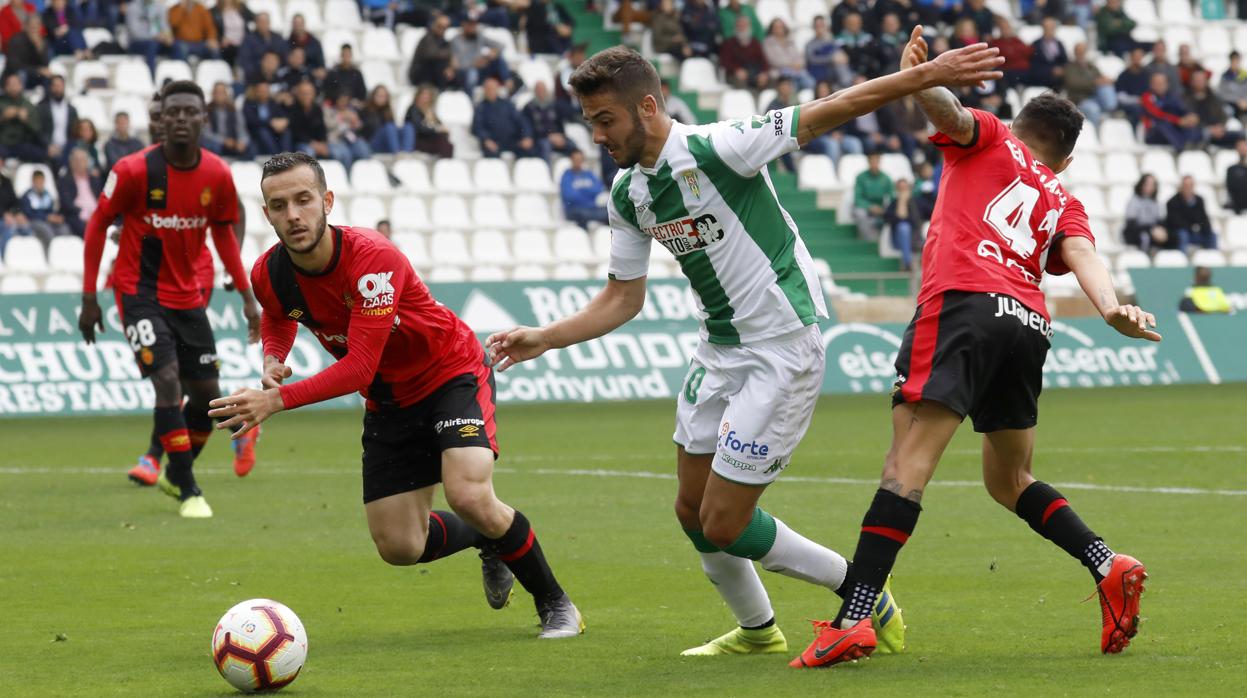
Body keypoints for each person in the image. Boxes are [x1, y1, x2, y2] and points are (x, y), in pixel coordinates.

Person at [485, 40, 1004, 659]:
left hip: (782, 347)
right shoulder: (629, 195)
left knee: (724, 522)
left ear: (647, 107)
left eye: (605, 120)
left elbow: (832, 108)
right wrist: (546, 336)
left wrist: (925, 76)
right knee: (689, 508)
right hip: (719, 350)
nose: (596, 135)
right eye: (591, 122)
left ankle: (863, 589)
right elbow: (623, 299)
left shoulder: (718, 147)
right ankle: (758, 631)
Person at [792, 35, 1158, 669]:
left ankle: (853, 620)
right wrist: (1111, 308)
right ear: (1066, 160)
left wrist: (924, 74)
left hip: (962, 303)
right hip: (1028, 322)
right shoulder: (1063, 196)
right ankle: (1107, 563)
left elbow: (951, 116)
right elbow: (1082, 255)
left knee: (904, 467)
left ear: (1019, 127)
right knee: (1009, 479)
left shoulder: (994, 136)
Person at [207, 151, 585, 639]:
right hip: (388, 399)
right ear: (266, 213)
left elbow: (359, 364)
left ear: (327, 201)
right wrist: (273, 358)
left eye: (303, 200)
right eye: (279, 206)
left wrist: (277, 400)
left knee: (468, 493)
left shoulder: (372, 259)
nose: (293, 215)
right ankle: (490, 541)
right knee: (400, 546)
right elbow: (278, 314)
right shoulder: (268, 271)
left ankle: (555, 603)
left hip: (448, 371)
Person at [78, 80, 260, 519]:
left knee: (205, 397)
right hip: (137, 292)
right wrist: (89, 297)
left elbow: (223, 233)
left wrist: (246, 296)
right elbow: (98, 225)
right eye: (172, 111)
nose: (180, 118)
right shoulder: (133, 170)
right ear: (160, 119)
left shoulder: (216, 174)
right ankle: (189, 488)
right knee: (166, 379)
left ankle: (173, 471)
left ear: (203, 118)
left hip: (187, 298)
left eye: (189, 111)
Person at [127, 92, 260, 486]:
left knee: (175, 375)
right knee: (176, 377)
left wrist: (230, 263)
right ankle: (238, 420)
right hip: (157, 279)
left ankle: (154, 457)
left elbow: (234, 210)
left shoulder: (202, 165)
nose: (162, 121)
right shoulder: (146, 163)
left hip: (190, 278)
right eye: (159, 115)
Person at [472, 77, 537, 158]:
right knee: (492, 155)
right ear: (484, 90)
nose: (490, 91)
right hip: (493, 142)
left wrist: (527, 136)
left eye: (492, 88)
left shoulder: (507, 104)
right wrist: (486, 140)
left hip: (512, 141)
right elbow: (477, 127)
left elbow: (521, 121)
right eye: (488, 89)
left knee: (529, 151)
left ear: (497, 89)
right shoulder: (480, 108)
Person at [450, 12, 510, 93]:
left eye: (475, 24)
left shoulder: (479, 36)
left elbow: (501, 45)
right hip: (465, 72)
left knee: (499, 59)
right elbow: (456, 65)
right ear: (463, 24)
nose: (473, 27)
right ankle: (470, 99)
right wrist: (473, 63)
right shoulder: (456, 40)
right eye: (470, 24)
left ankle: (509, 86)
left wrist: (492, 53)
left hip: (482, 70)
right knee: (472, 73)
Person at [1142, 73, 1201, 150]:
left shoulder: (1172, 97)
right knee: (1163, 124)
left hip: (1173, 132)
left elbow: (1182, 110)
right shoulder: (1147, 97)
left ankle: (1195, 145)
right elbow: (1158, 114)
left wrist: (1190, 117)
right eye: (1157, 83)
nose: (1160, 86)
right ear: (1151, 85)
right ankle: (1182, 147)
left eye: (1162, 83)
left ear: (1167, 84)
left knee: (1192, 126)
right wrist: (1178, 121)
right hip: (1153, 132)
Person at [1063, 42, 1116, 125]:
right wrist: (1094, 82)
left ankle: (1111, 111)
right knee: (1093, 109)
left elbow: (1100, 77)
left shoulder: (1091, 66)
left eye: (1083, 51)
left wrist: (1106, 80)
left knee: (1107, 88)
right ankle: (1096, 134)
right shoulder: (1070, 67)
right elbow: (1073, 83)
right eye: (1079, 51)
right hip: (1080, 99)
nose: (1081, 53)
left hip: (1095, 96)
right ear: (1075, 52)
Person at [126, 0, 180, 77]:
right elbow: (135, 33)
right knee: (152, 45)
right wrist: (154, 36)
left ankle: (177, 78)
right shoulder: (133, 7)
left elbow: (165, 25)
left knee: (176, 46)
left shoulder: (159, 6)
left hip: (158, 41)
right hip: (137, 43)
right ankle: (152, 78)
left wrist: (168, 36)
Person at [523, 81, 574, 162]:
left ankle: (576, 172)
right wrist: (548, 136)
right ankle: (547, 172)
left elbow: (560, 123)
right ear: (535, 92)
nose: (541, 92)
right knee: (545, 146)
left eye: (543, 90)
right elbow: (529, 128)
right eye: (538, 90)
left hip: (556, 137)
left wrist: (561, 136)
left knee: (572, 145)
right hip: (540, 139)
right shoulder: (528, 108)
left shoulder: (554, 105)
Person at [56, 147, 102, 237]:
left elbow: (101, 199)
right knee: (86, 228)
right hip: (76, 216)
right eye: (76, 160)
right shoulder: (65, 180)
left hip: (96, 215)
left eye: (82, 160)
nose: (79, 163)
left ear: (87, 162)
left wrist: (95, 215)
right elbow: (66, 203)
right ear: (71, 162)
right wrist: (85, 214)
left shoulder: (95, 179)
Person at [1165, 176, 1217, 253]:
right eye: (1186, 186)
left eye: (1190, 186)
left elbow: (1204, 219)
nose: (1188, 188)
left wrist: (1202, 228)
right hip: (1181, 233)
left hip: (1196, 233)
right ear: (1181, 187)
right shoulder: (1173, 202)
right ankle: (1182, 261)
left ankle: (1211, 259)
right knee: (1182, 235)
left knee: (1212, 235)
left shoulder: (1199, 200)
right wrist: (1193, 227)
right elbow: (1175, 222)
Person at [20, 169, 72, 247]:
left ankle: (63, 251)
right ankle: (50, 254)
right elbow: (28, 214)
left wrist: (56, 217)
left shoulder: (47, 195)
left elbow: (51, 210)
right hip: (34, 221)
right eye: (37, 181)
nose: (40, 183)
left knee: (64, 228)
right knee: (47, 231)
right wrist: (46, 217)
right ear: (33, 181)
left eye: (41, 181)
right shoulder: (27, 196)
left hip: (48, 221)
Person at [720, 15, 769, 90]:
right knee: (740, 82)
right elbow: (724, 62)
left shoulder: (755, 42)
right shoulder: (729, 43)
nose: (742, 27)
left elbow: (763, 60)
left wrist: (764, 73)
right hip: (735, 74)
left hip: (753, 72)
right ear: (736, 26)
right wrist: (737, 70)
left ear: (749, 26)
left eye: (744, 25)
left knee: (767, 81)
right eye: (740, 25)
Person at [559, 149, 605, 229]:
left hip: (591, 208)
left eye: (580, 159)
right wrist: (588, 192)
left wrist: (581, 191)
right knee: (583, 215)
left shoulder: (589, 174)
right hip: (574, 209)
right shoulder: (566, 175)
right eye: (576, 159)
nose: (578, 161)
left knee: (608, 212)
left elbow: (599, 189)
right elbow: (569, 196)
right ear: (571, 160)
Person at [409, 13, 457, 89]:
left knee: (455, 73)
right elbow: (431, 54)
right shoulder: (427, 39)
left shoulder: (445, 41)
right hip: (420, 74)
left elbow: (452, 57)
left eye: (445, 28)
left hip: (436, 74)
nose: (442, 30)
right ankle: (441, 90)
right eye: (439, 26)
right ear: (433, 25)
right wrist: (449, 57)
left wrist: (451, 67)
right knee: (437, 64)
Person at [361, 85, 414, 154]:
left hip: (387, 142)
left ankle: (406, 153)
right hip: (372, 143)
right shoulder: (365, 110)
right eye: (380, 96)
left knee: (408, 126)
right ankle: (397, 153)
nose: (382, 98)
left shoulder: (387, 111)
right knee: (389, 127)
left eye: (384, 96)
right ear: (373, 96)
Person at [244, 81, 293, 155]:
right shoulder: (250, 103)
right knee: (263, 132)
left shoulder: (272, 103)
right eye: (261, 91)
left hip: (274, 131)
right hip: (256, 132)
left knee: (286, 131)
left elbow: (282, 115)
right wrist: (270, 123)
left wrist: (283, 122)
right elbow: (251, 120)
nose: (263, 93)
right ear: (256, 92)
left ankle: (286, 156)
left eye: (265, 91)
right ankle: (275, 156)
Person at [884, 178, 923, 271]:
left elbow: (916, 220)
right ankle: (907, 263)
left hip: (917, 238)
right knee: (903, 227)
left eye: (905, 188)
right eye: (900, 189)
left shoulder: (917, 202)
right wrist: (902, 203)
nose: (903, 191)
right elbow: (899, 218)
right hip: (899, 241)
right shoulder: (893, 204)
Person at [37, 74, 76, 166]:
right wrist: (48, 145)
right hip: (48, 147)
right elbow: (39, 130)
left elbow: (74, 132)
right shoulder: (42, 108)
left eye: (60, 86)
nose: (57, 89)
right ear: (50, 88)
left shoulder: (71, 110)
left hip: (67, 148)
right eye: (55, 86)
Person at [853, 152, 893, 241]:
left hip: (881, 207)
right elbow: (857, 198)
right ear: (869, 163)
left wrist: (883, 209)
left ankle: (885, 240)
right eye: (872, 162)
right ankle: (869, 240)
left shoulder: (886, 178)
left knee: (892, 212)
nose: (874, 164)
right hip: (866, 207)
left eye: (876, 162)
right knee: (860, 213)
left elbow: (891, 197)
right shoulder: (861, 177)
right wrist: (869, 207)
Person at [1122, 173, 1167, 252]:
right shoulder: (1134, 201)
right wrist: (1151, 230)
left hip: (1152, 232)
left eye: (1153, 185)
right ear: (1141, 184)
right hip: (1135, 232)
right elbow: (1131, 225)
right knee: (1145, 237)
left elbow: (1160, 222)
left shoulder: (1156, 202)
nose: (1150, 187)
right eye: (1148, 184)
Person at [238, 12, 287, 83]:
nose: (263, 24)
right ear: (256, 24)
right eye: (260, 22)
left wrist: (275, 66)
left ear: (269, 23)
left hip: (277, 76)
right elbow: (245, 60)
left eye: (265, 22)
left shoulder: (278, 38)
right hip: (256, 78)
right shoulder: (248, 39)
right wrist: (262, 68)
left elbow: (285, 56)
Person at [407, 86, 453, 158]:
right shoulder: (413, 109)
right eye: (423, 95)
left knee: (447, 143)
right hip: (419, 140)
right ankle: (445, 162)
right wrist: (436, 129)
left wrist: (441, 129)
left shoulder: (430, 111)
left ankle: (445, 163)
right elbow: (419, 128)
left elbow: (439, 124)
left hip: (430, 138)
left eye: (427, 96)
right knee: (444, 143)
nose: (425, 98)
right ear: (418, 96)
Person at [1027, 16, 1066, 89]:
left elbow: (1065, 61)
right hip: (1042, 78)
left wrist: (1061, 70)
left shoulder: (1059, 44)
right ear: (1043, 28)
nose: (1051, 30)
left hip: (1059, 79)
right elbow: (1034, 66)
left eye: (1052, 27)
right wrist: (1051, 70)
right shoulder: (1036, 45)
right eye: (1048, 27)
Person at [0, 170, 34, 255]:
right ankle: (4, 257)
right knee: (10, 229)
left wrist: (17, 213)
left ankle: (26, 256)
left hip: (8, 217)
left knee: (26, 228)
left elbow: (15, 201)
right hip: (3, 218)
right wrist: (3, 214)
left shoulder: (6, 181)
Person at [1219, 51, 1247, 119]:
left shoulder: (1244, 74)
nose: (1236, 62)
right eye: (1233, 60)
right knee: (1227, 111)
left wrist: (1245, 100)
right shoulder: (1225, 76)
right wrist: (1237, 100)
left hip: (1245, 102)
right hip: (1232, 104)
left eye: (1237, 60)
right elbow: (1223, 94)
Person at [1226, 138, 1247, 214]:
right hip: (1238, 205)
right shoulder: (1231, 169)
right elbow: (1231, 188)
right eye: (1239, 146)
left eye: (1244, 145)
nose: (1242, 148)